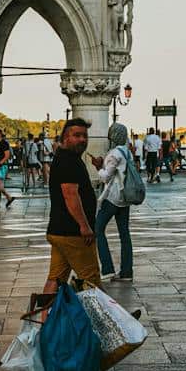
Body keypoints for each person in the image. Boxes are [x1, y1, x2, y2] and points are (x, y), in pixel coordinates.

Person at [44, 118, 101, 293]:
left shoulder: (64, 158)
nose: (82, 139)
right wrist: (84, 226)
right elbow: (71, 195)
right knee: (91, 281)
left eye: (85, 136)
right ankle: (111, 319)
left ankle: (43, 318)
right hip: (73, 233)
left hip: (59, 231)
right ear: (65, 138)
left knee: (56, 279)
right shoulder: (69, 161)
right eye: (76, 135)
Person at [94, 121, 135, 281]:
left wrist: (98, 166)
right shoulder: (127, 152)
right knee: (124, 234)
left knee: (98, 229)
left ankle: (107, 268)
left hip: (112, 197)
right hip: (125, 198)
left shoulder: (114, 154)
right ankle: (126, 272)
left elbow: (106, 177)